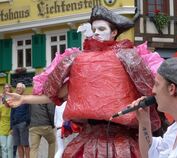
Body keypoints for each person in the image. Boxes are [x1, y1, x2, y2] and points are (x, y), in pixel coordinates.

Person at [6, 6, 163, 157]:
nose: (96, 33)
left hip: (121, 141)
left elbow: (150, 90)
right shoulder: (81, 62)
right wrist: (23, 98)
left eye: (102, 29)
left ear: (114, 32)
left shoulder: (128, 58)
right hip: (88, 140)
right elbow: (56, 95)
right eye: (94, 29)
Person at [10, 83, 30, 158]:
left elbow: (29, 111)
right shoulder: (14, 99)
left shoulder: (26, 98)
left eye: (20, 88)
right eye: (17, 87)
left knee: (25, 144)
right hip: (15, 125)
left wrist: (27, 122)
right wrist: (11, 127)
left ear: (23, 89)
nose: (18, 89)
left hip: (23, 124)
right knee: (18, 144)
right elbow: (12, 114)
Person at [0, 84, 13, 158]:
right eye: (5, 98)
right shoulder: (1, 107)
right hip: (2, 128)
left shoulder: (13, 105)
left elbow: (15, 118)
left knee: (9, 147)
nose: (7, 100)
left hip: (11, 129)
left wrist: (13, 128)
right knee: (4, 147)